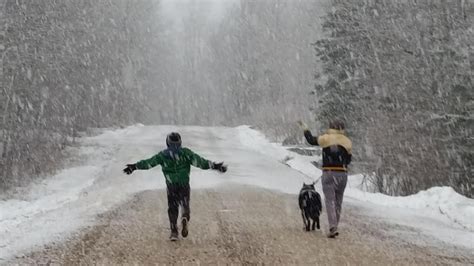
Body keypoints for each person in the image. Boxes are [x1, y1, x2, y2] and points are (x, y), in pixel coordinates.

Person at [123, 132, 227, 241]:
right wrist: (215, 166)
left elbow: (148, 163)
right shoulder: (186, 153)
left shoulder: (162, 155)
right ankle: (185, 217)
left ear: (167, 143)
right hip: (184, 184)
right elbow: (201, 163)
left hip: (171, 185)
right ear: (180, 142)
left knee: (172, 208)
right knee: (185, 204)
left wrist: (134, 167)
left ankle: (174, 232)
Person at [298, 120, 352, 238]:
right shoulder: (347, 141)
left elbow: (311, 140)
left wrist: (305, 128)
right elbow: (348, 160)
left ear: (331, 127)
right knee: (338, 202)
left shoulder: (326, 138)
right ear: (342, 129)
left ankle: (333, 227)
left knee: (330, 201)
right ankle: (335, 225)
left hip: (329, 173)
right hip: (342, 175)